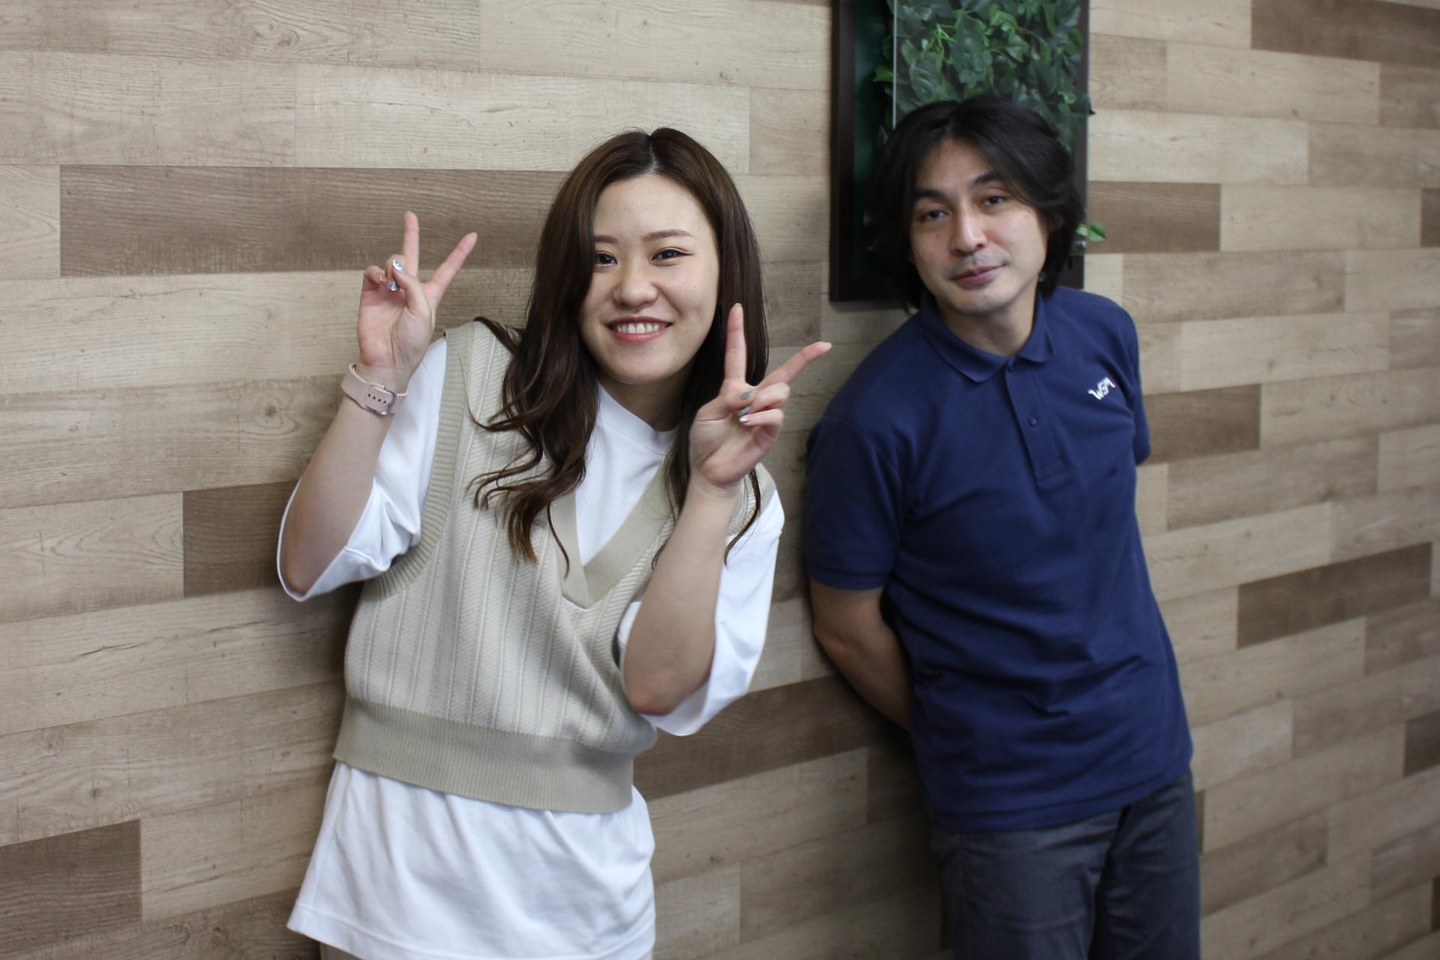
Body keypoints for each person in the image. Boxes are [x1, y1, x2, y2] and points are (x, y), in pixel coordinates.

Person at [277, 127, 828, 960]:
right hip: (393, 897)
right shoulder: (470, 376)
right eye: (601, 258)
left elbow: (657, 689)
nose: (632, 287)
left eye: (668, 254)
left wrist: (712, 492)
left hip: (586, 913)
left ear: (726, 273)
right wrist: (380, 378)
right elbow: (306, 565)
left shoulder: (744, 498)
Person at [803, 95, 1198, 959]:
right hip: (1011, 811)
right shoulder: (875, 420)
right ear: (908, 244)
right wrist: (967, 729)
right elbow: (845, 625)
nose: (968, 237)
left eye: (994, 199)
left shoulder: (1105, 334)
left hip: (1154, 757)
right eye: (932, 215)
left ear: (1048, 215)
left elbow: (1096, 528)